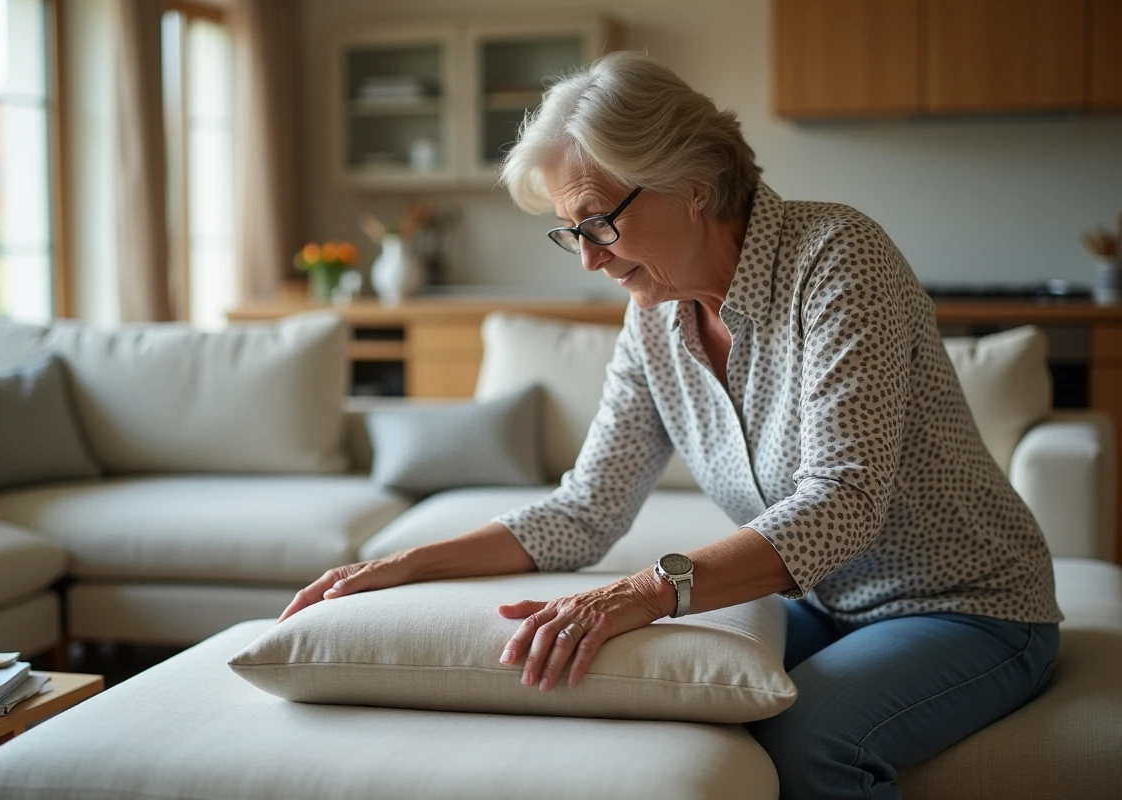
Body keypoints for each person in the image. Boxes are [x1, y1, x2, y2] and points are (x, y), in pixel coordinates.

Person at [277, 51, 1061, 799]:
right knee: (658, 708)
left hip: (968, 605)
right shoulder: (654, 318)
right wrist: (406, 564)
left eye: (598, 223)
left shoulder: (836, 256)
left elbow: (842, 501)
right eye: (570, 231)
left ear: (690, 182)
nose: (587, 260)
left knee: (814, 739)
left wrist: (649, 589)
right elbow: (587, 509)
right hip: (825, 604)